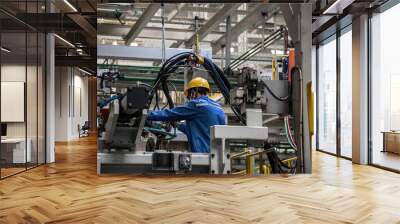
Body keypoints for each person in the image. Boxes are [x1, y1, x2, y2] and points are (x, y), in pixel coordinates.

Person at [147, 77, 225, 153]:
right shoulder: (219, 108)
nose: (189, 98)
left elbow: (171, 114)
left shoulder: (197, 104)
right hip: (218, 156)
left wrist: (147, 115)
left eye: (189, 94)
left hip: (202, 154)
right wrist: (178, 125)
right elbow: (199, 130)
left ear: (195, 91)